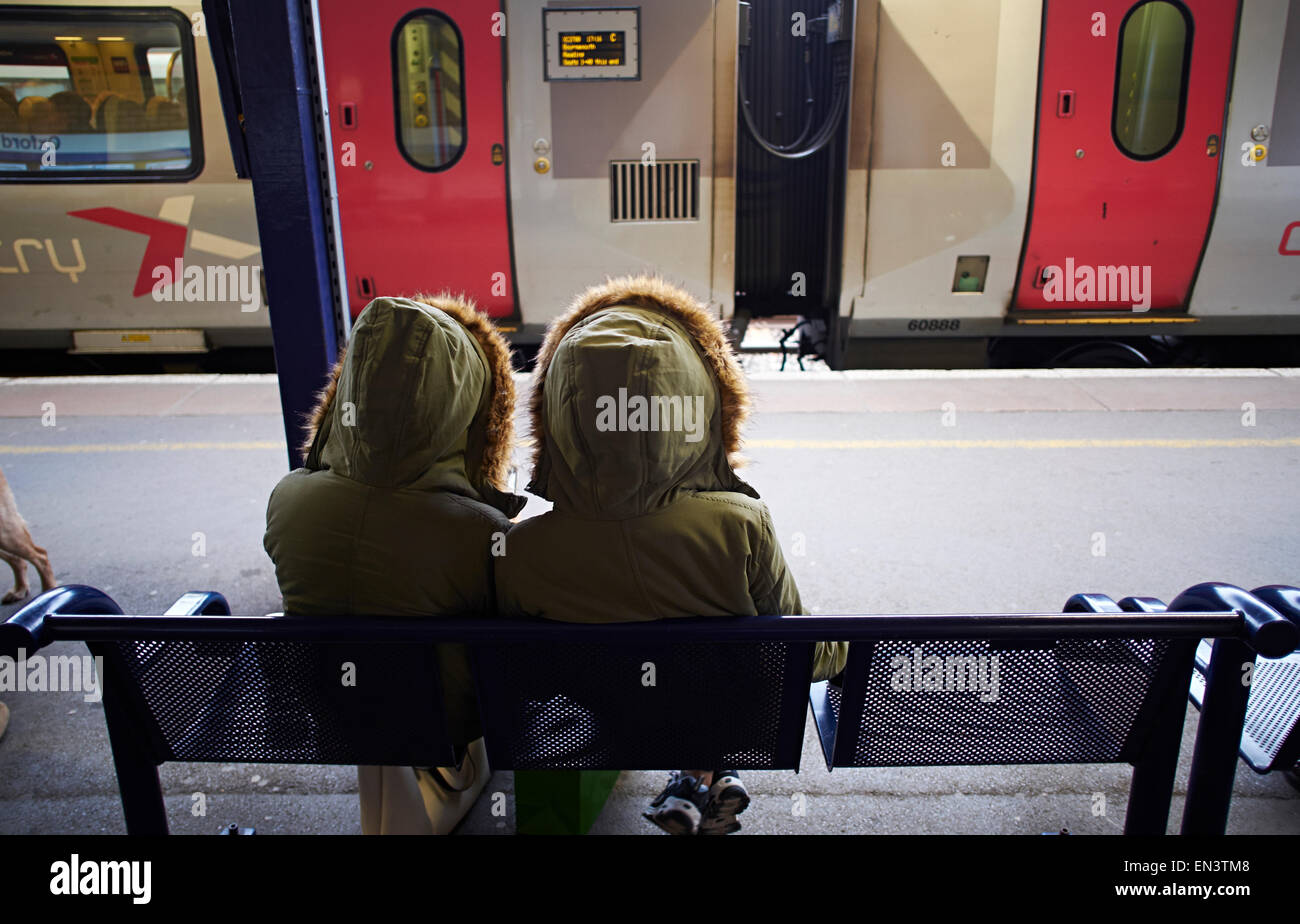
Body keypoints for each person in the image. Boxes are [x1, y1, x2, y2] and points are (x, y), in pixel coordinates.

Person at [496, 275, 847, 835]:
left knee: (646, 679)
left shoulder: (521, 550)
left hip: (603, 722)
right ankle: (703, 773)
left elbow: (521, 672)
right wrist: (840, 647)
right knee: (711, 673)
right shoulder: (739, 526)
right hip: (721, 715)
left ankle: (695, 780)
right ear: (700, 405)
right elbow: (809, 653)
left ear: (559, 410)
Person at [264, 293, 524, 834]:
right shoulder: (482, 532)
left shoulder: (289, 498)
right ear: (463, 404)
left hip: (329, 707)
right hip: (441, 718)